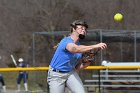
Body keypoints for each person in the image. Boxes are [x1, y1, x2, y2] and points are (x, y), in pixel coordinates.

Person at [47, 20, 107, 93]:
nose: (84, 30)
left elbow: (77, 67)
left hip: (70, 73)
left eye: (85, 29)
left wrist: (87, 62)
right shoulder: (66, 41)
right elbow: (74, 49)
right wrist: (95, 46)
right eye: (81, 28)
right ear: (74, 29)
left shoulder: (79, 46)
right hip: (56, 74)